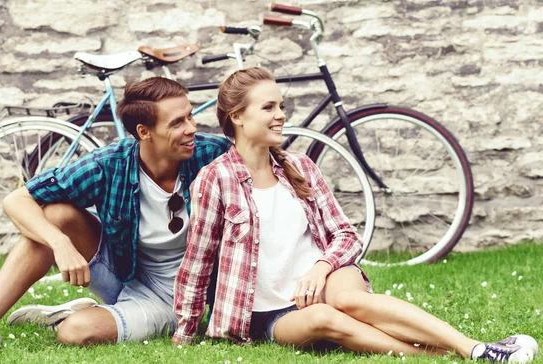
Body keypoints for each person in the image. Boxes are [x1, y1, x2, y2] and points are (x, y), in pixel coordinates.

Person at [172, 67, 539, 363]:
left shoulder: (300, 166)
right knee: (323, 318)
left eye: (281, 106)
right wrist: (186, 335)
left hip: (329, 282)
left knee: (347, 301)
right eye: (268, 108)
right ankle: (444, 355)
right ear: (236, 116)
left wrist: (321, 266)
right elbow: (198, 260)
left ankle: (473, 347)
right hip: (271, 315)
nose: (281, 115)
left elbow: (346, 236)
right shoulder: (214, 179)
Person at [0, 77, 231, 359]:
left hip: (174, 297)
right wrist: (60, 244)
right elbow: (16, 200)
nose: (192, 128)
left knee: (74, 332)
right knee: (56, 215)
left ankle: (70, 316)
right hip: (122, 274)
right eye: (177, 123)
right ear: (144, 132)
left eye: (190, 116)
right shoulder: (111, 164)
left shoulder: (212, 154)